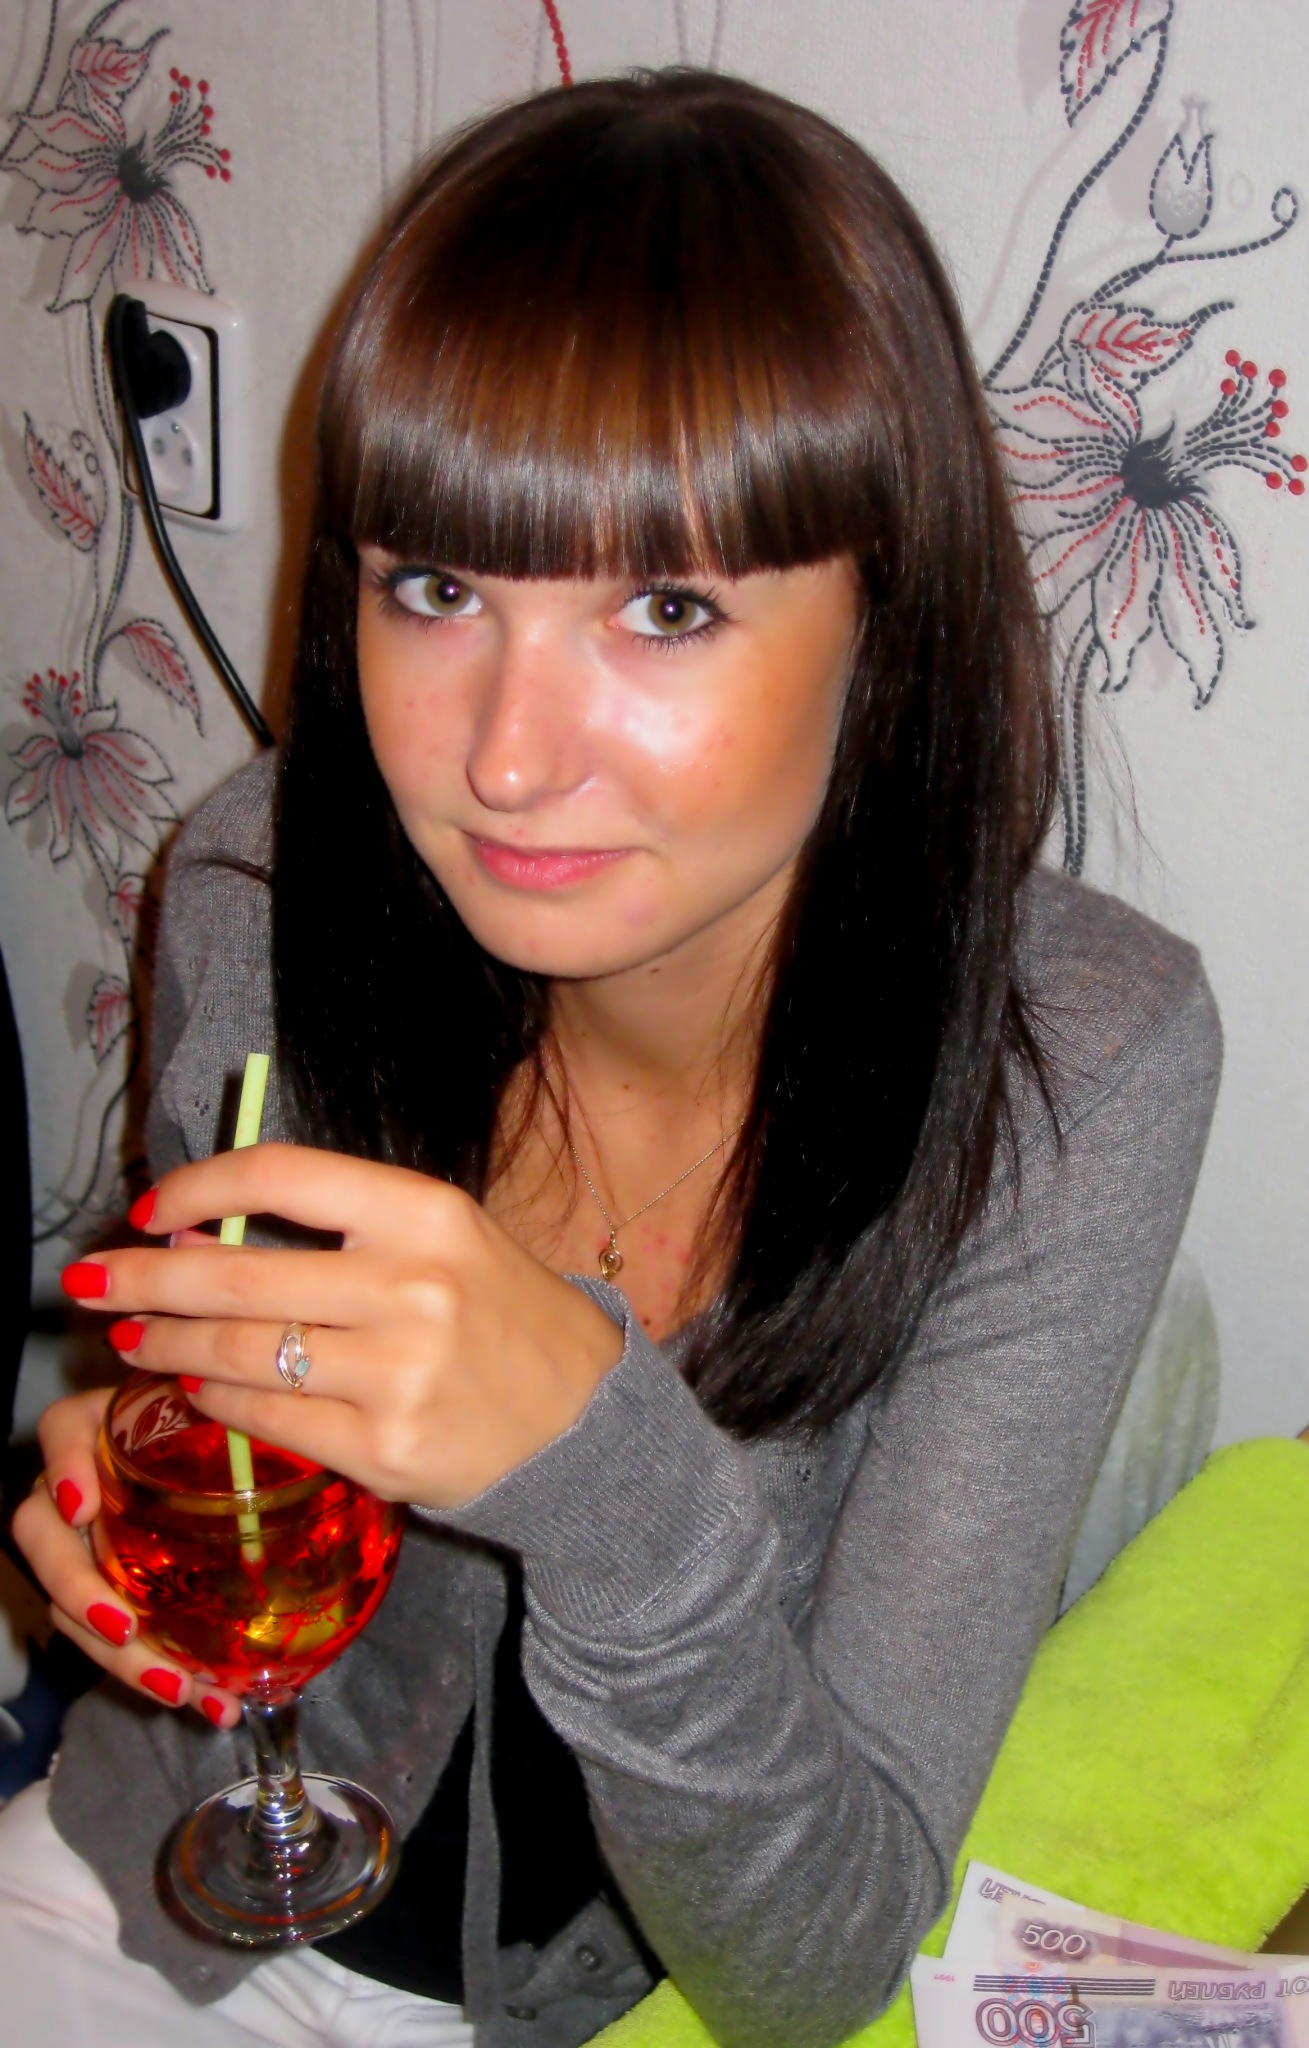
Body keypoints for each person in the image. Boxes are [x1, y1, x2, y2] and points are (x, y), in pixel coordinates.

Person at [1, 66, 1220, 2048]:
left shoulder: (1075, 1063)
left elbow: (810, 1972)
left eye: (663, 606)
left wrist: (602, 1480)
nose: (503, 756)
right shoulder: (256, 888)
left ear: (885, 619)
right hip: (177, 1872)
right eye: (435, 586)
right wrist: (141, 1478)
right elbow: (210, 1432)